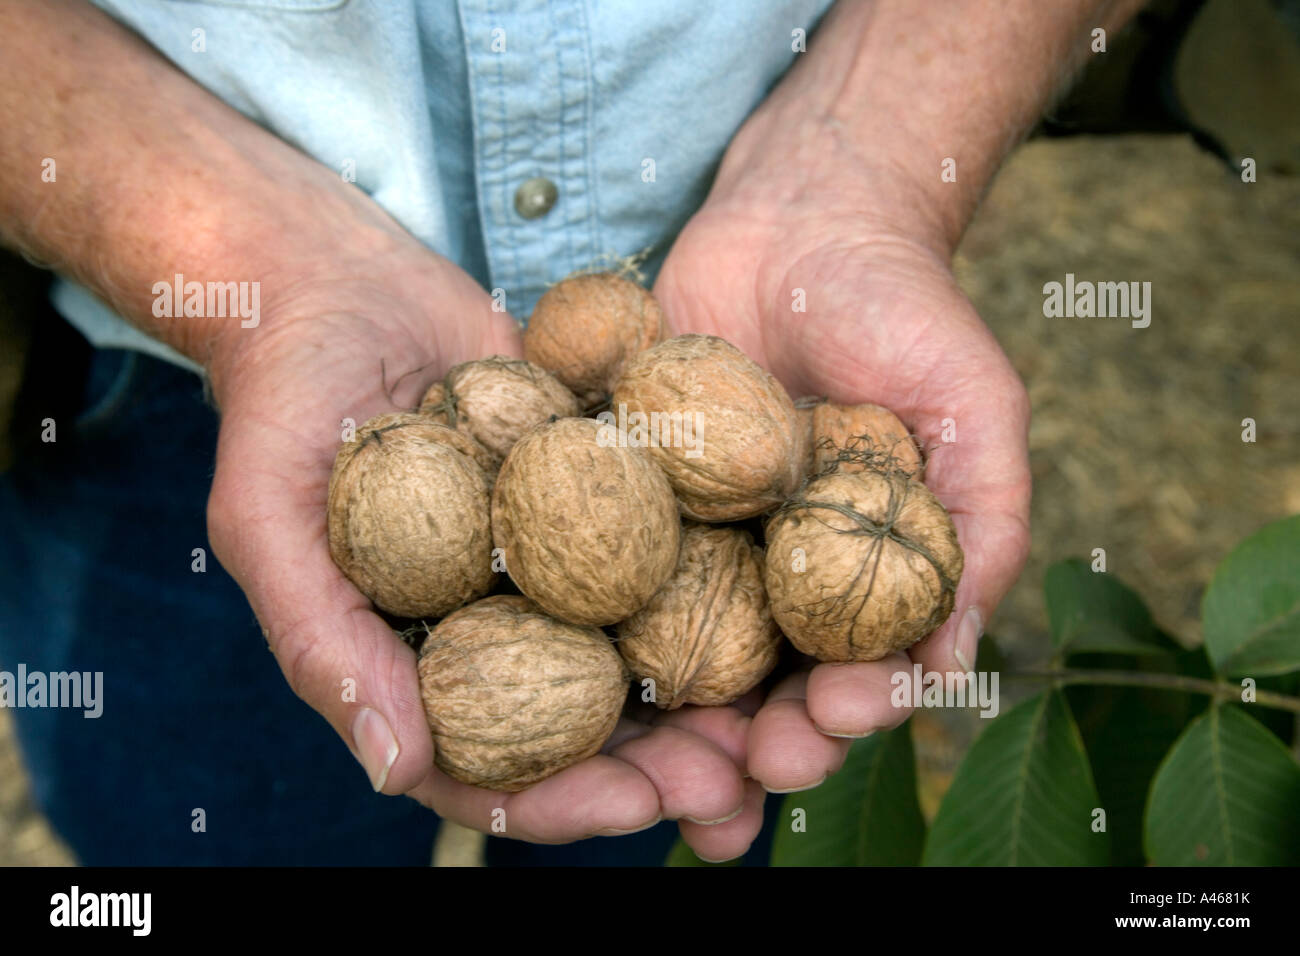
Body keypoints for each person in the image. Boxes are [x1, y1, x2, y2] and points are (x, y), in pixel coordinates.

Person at [0, 0, 1138, 865]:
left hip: (747, 293)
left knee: (666, 798)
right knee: (202, 828)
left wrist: (873, 163)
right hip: (168, 387)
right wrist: (247, 269)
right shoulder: (536, 479)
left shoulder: (690, 525)